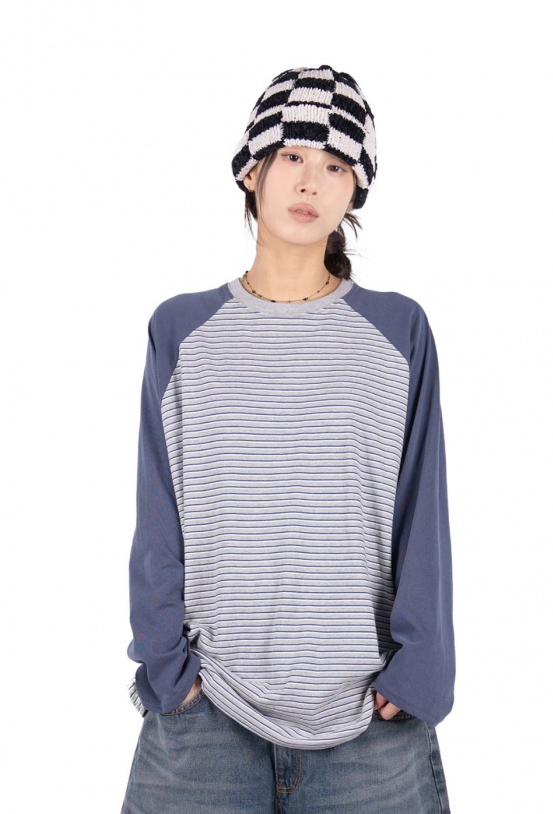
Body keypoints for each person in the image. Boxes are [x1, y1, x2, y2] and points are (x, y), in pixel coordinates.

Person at [121, 64, 455, 814]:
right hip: (207, 712)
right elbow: (158, 510)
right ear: (253, 172)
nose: (310, 182)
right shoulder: (181, 330)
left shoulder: (398, 330)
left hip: (370, 716)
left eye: (336, 166)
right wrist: (168, 668)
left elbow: (421, 508)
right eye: (293, 157)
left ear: (355, 189)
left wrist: (422, 670)